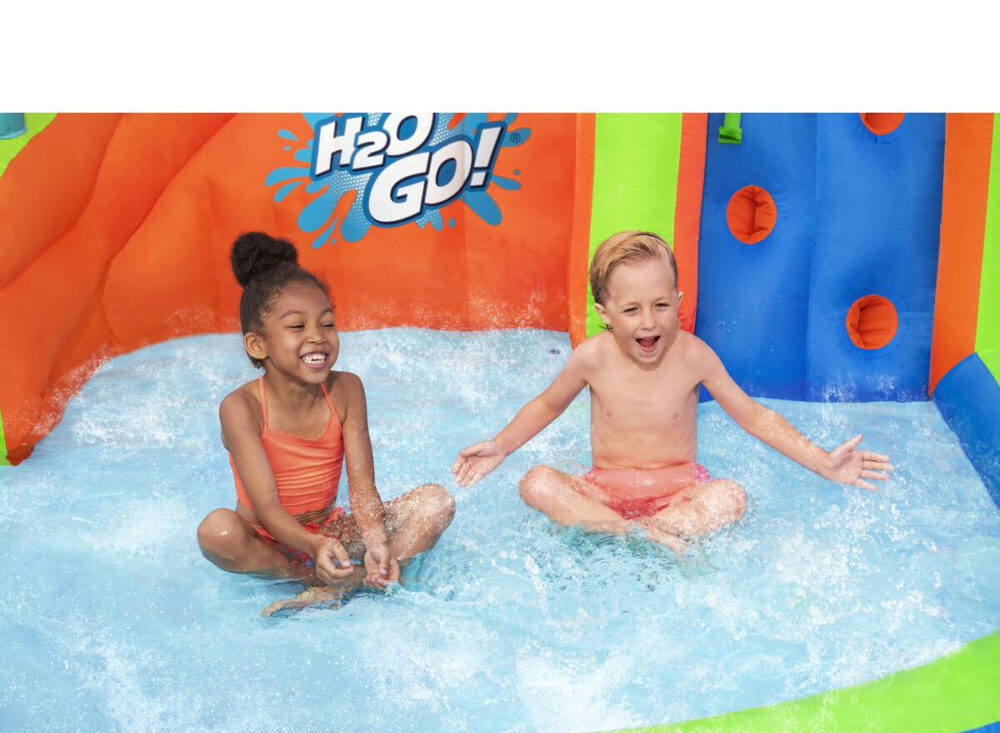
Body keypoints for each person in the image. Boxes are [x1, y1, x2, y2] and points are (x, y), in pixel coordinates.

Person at [452, 230, 892, 553]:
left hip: (679, 492)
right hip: (603, 491)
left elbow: (754, 416)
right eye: (631, 310)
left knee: (730, 497)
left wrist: (821, 461)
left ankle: (657, 528)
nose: (649, 322)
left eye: (661, 305)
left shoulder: (694, 357)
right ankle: (632, 533)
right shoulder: (592, 358)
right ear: (605, 314)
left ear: (678, 301)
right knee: (536, 482)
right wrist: (501, 446)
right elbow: (548, 404)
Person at [198, 232, 455, 613]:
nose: (317, 337)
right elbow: (267, 508)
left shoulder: (346, 389)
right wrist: (313, 547)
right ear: (257, 345)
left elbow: (362, 487)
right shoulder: (241, 407)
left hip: (330, 531)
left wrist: (375, 543)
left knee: (436, 502)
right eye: (297, 327)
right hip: (269, 540)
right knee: (217, 531)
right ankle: (309, 579)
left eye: (327, 323)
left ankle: (369, 575)